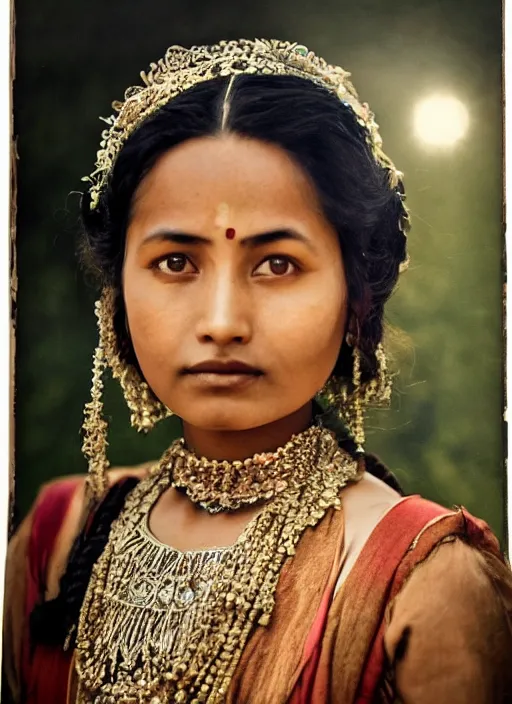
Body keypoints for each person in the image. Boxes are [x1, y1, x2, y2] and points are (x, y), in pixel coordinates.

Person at [3, 38, 512, 704]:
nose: (222, 321)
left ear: (356, 296)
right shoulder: (55, 537)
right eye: (177, 262)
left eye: (277, 264)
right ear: (116, 295)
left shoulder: (421, 577)